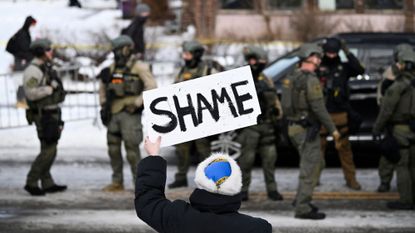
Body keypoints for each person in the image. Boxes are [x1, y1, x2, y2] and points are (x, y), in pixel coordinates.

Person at [135, 136, 272, 233]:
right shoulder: (257, 228)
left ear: (200, 181)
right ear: (236, 185)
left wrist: (153, 156)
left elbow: (148, 201)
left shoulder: (179, 218)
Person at [281, 43, 341, 220]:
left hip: (294, 127)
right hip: (306, 129)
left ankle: (301, 198)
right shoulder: (310, 80)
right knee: (310, 168)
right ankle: (302, 207)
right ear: (312, 57)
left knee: (317, 164)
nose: (319, 60)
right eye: (318, 57)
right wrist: (334, 130)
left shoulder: (291, 76)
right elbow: (319, 108)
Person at [99, 35, 157, 192]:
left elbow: (151, 87)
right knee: (113, 149)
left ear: (126, 49)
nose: (116, 54)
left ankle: (140, 184)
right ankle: (117, 181)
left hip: (130, 113)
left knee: (132, 150)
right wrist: (103, 105)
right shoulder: (111, 68)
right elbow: (103, 87)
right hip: (113, 112)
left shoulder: (139, 67)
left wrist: (138, 103)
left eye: (118, 50)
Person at [168, 40, 223, 189]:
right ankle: (181, 177)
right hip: (186, 115)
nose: (185, 57)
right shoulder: (182, 70)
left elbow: (221, 87)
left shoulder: (208, 69)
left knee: (203, 149)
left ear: (196, 55)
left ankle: (209, 179)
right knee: (182, 149)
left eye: (188, 54)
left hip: (202, 115)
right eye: (184, 54)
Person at [317, 37, 365, 190]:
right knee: (317, 149)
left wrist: (347, 52)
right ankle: (312, 179)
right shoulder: (318, 65)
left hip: (340, 113)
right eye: (328, 53)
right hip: (322, 114)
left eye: (334, 53)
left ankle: (351, 179)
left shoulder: (343, 67)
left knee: (345, 149)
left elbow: (359, 69)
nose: (331, 56)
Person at [237, 45, 283, 201]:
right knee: (246, 161)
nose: (254, 63)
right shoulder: (241, 78)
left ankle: (272, 189)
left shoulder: (265, 79)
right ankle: (243, 190)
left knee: (270, 160)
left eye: (255, 60)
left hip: (267, 125)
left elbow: (275, 101)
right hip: (250, 127)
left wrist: (277, 115)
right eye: (251, 60)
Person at [23, 38, 67, 196]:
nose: (51, 52)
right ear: (41, 51)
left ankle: (46, 182)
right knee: (48, 150)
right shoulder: (33, 70)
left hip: (52, 113)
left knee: (50, 149)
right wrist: (49, 89)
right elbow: (30, 93)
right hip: (44, 115)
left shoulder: (45, 67)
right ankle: (31, 181)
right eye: (48, 49)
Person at [372, 49, 415, 210]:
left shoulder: (398, 86)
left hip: (401, 129)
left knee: (402, 165)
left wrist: (377, 129)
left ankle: (406, 200)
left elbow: (386, 110)